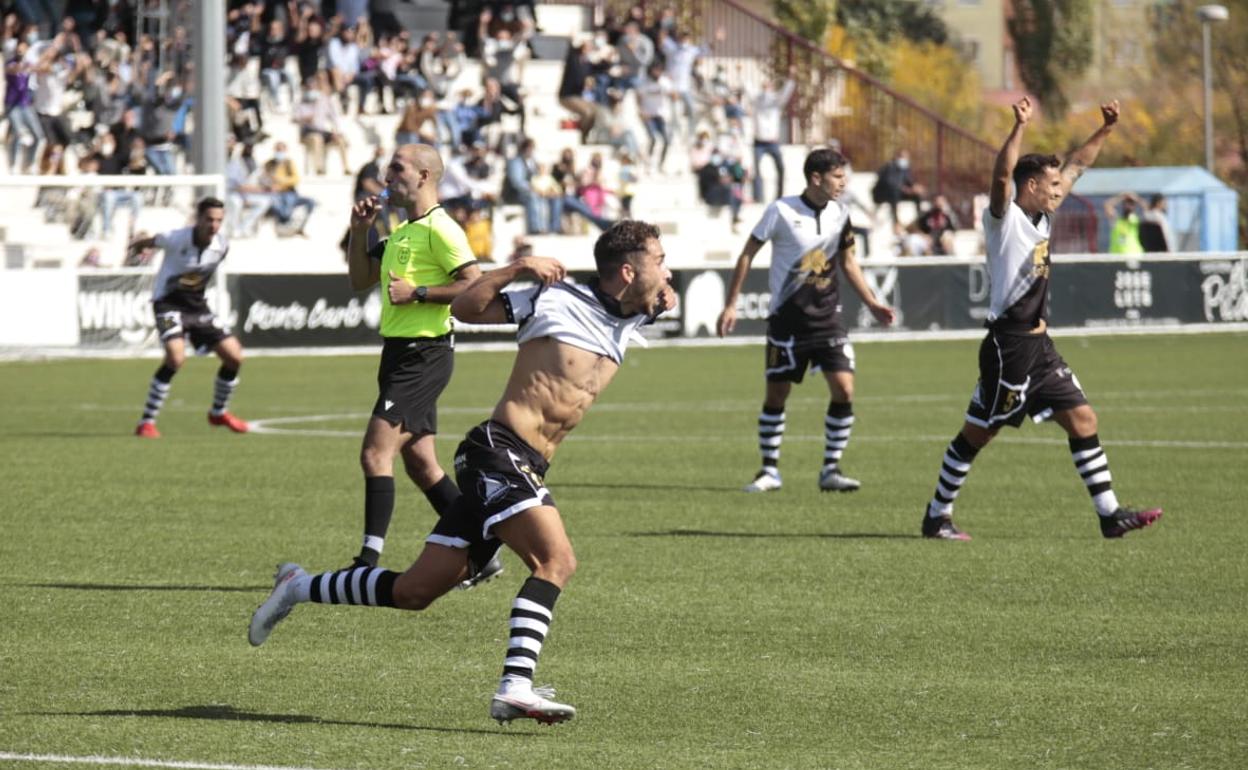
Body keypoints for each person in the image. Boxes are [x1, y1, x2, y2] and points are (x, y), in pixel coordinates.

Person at [249, 221, 677, 726]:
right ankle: (515, 686)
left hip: (525, 463)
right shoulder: (552, 299)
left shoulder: (631, 313)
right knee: (556, 561)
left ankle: (298, 586)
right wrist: (516, 267)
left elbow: (647, 302)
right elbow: (465, 309)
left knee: (414, 592)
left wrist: (659, 296)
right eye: (661, 259)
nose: (668, 270)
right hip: (498, 452)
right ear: (628, 270)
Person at [919, 97, 1161, 541]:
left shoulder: (1045, 215)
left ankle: (1109, 515)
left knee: (1083, 419)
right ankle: (937, 516)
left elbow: (1076, 166)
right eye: (1049, 184)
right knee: (978, 434)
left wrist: (1105, 129)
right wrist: (1019, 127)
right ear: (1030, 186)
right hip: (1008, 346)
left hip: (1040, 347)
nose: (1058, 189)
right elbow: (1000, 175)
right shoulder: (1004, 220)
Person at [342, 144, 488, 579]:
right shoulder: (400, 233)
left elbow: (474, 285)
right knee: (422, 463)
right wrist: (359, 229)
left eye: (397, 168)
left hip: (424, 355)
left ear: (424, 176)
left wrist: (419, 293)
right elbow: (359, 280)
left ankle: (367, 562)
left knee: (374, 453)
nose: (387, 175)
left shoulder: (441, 229)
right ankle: (484, 550)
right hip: (398, 354)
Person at [716, 148, 896, 493]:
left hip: (829, 318)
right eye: (837, 177)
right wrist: (731, 304)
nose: (843, 183)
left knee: (844, 389)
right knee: (777, 394)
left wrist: (872, 302)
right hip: (787, 320)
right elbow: (747, 254)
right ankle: (769, 470)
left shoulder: (841, 214)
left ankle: (831, 469)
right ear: (817, 178)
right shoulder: (781, 211)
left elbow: (848, 262)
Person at [131, 197, 249, 438]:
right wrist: (138, 245)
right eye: (209, 219)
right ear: (198, 219)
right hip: (167, 306)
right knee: (175, 358)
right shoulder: (175, 238)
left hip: (197, 308)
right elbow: (150, 241)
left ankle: (218, 413)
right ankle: (147, 422)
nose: (214, 225)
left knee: (234, 357)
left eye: (218, 220)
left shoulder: (221, 246)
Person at [872, 149, 926, 224]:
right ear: (897, 157)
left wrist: (915, 187)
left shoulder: (905, 169)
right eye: (902, 157)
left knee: (916, 196)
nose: (904, 160)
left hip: (898, 193)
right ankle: (896, 222)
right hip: (882, 194)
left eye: (906, 158)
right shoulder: (889, 167)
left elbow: (909, 181)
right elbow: (889, 183)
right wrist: (904, 189)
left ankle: (920, 219)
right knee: (894, 193)